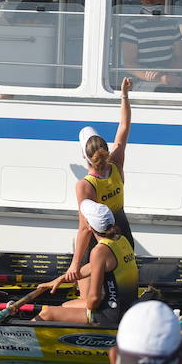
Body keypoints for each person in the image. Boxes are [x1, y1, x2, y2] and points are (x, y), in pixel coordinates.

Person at [67, 78, 134, 294]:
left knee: (88, 297)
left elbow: (85, 227)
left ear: (83, 157)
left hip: (99, 241)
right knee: (121, 285)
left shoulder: (85, 185)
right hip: (123, 233)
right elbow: (124, 126)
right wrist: (124, 95)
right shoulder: (116, 163)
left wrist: (75, 265)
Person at [36, 199, 138, 325]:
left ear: (89, 226)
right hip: (128, 307)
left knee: (47, 313)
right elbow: (91, 267)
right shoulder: (121, 240)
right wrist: (60, 279)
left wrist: (87, 304)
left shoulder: (99, 251)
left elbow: (94, 300)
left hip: (111, 314)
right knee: (66, 305)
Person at [118, 0, 182, 89]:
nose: (150, 2)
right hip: (140, 81)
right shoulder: (131, 26)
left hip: (169, 77)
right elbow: (129, 64)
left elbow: (180, 57)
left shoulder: (171, 23)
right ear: (141, 0)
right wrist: (159, 78)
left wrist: (168, 74)